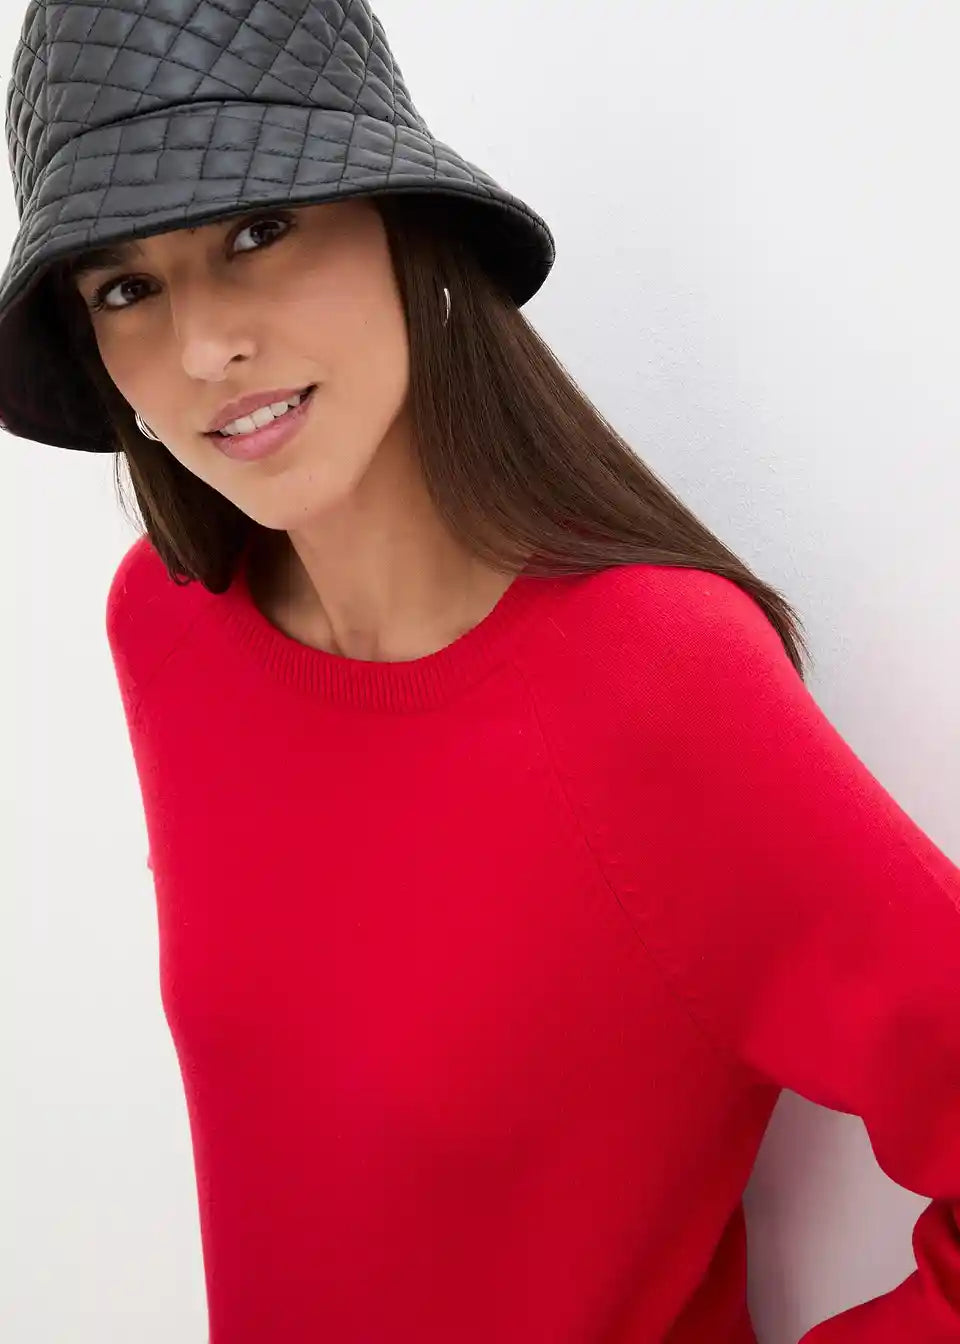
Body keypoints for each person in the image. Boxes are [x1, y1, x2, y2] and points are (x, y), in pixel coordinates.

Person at [1, 4, 958, 1342]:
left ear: (406, 228)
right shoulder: (165, 627)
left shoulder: (656, 683)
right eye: (125, 288)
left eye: (259, 230)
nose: (205, 347)